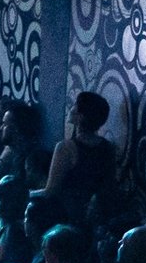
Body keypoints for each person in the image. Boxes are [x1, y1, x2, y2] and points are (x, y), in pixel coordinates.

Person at [45, 90, 117, 227]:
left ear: (80, 116)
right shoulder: (109, 148)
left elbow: (50, 190)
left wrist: (27, 194)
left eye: (75, 105)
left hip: (67, 218)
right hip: (96, 220)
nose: (71, 108)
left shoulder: (65, 147)